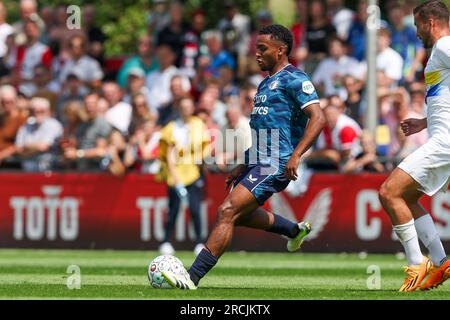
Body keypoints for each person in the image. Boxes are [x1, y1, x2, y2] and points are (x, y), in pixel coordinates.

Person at [162, 24, 326, 290]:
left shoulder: (296, 79)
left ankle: (192, 278)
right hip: (258, 161)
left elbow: (319, 118)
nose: (257, 54)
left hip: (275, 163)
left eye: (263, 49)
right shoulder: (264, 83)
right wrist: (244, 163)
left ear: (281, 50)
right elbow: (263, 130)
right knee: (241, 215)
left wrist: (296, 155)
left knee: (227, 211)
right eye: (256, 48)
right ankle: (294, 230)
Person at [378, 0, 450, 292]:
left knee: (388, 192)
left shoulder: (444, 46)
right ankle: (441, 261)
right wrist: (424, 121)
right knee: (405, 198)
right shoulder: (440, 52)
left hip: (445, 142)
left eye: (418, 24)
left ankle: (416, 265)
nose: (416, 31)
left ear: (430, 22)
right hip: (440, 137)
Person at [157, 96, 210, 256]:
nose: (186, 109)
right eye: (183, 107)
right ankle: (166, 241)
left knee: (195, 209)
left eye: (189, 106)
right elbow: (169, 156)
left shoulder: (198, 125)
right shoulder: (172, 128)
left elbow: (205, 148)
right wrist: (176, 179)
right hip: (176, 176)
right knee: (173, 209)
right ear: (179, 109)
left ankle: (200, 241)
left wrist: (202, 162)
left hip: (193, 173)